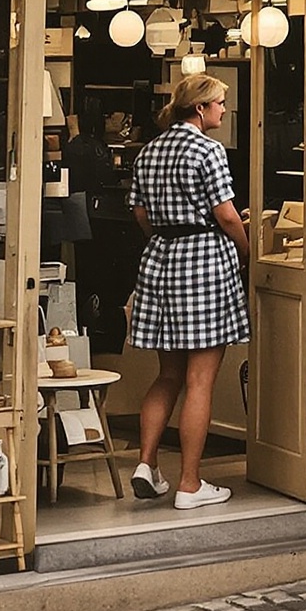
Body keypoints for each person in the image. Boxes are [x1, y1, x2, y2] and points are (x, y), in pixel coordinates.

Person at [126, 73, 250, 510]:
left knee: (168, 375)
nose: (222, 110)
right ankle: (191, 484)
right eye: (218, 103)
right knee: (201, 380)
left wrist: (164, 236)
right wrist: (246, 250)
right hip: (203, 261)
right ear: (199, 108)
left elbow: (141, 212)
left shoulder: (150, 150)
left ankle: (145, 463)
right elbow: (228, 214)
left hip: (161, 259)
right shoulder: (207, 149)